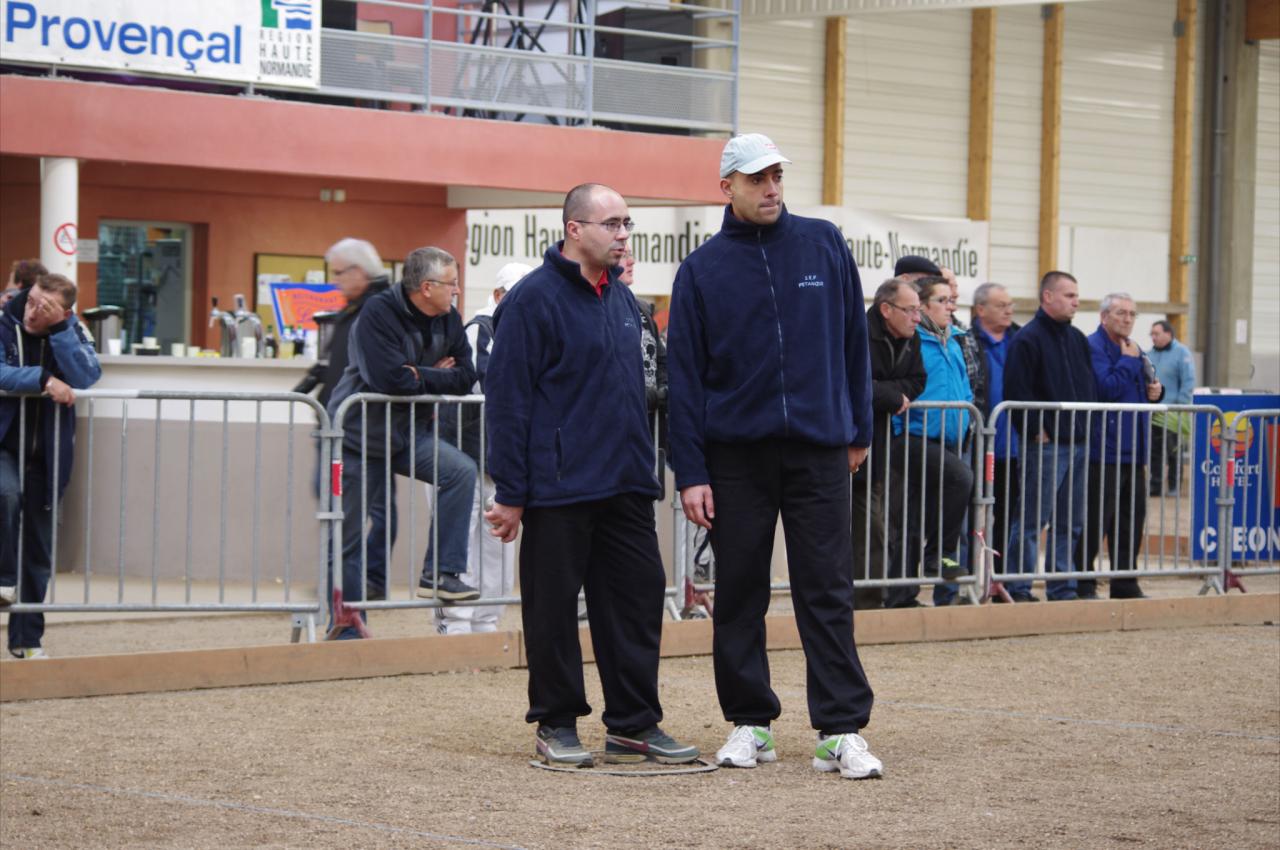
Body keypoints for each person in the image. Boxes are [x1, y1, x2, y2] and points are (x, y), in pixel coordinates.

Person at [667, 133, 882, 779]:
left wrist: (859, 429)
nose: (771, 188)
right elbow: (685, 381)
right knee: (739, 593)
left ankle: (840, 729)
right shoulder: (701, 270)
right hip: (736, 458)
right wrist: (691, 473)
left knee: (827, 589)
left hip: (819, 449)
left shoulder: (823, 243)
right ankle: (750, 722)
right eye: (757, 178)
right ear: (726, 186)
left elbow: (854, 342)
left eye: (777, 176)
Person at [484, 184, 698, 769]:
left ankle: (633, 724)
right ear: (574, 229)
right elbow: (508, 401)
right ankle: (556, 723)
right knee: (553, 611)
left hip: (626, 484)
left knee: (637, 603)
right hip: (558, 487)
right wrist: (511, 491)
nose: (623, 235)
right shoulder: (532, 301)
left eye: (627, 223)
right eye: (611, 224)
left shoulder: (625, 302)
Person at [326, 247, 480, 639]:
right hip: (357, 437)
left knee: (461, 472)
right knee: (348, 535)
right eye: (451, 284)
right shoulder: (377, 313)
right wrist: (434, 374)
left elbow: (466, 377)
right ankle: (346, 627)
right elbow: (388, 380)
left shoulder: (449, 318)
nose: (457, 290)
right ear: (427, 287)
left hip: (408, 433)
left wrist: (419, 374)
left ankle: (441, 573)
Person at [0, 273, 102, 657]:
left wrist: (61, 331)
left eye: (45, 309)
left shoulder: (71, 331)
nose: (32, 312)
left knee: (39, 552)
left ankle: (27, 641)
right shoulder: (4, 322)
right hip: (4, 446)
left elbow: (87, 376)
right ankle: (4, 578)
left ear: (63, 313)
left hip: (48, 455)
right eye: (31, 301)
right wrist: (42, 379)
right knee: (6, 496)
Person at [435, 261, 531, 636]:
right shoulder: (480, 329)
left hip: (498, 459)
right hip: (463, 454)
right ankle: (456, 626)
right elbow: (490, 385)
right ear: (497, 295)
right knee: (463, 542)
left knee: (497, 546)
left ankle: (487, 624)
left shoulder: (525, 332)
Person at [1001, 271, 1098, 602]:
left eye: (1076, 296)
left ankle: (1062, 586)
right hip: (1046, 445)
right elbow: (1016, 391)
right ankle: (1019, 586)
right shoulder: (1027, 339)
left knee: (1070, 521)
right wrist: (1034, 430)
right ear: (1047, 297)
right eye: (1069, 295)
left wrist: (1087, 428)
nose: (1076, 302)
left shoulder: (1078, 340)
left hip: (1078, 442)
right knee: (1032, 521)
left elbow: (1088, 387)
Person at [886, 276, 975, 609]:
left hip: (949, 439)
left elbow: (964, 388)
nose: (950, 307)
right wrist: (899, 425)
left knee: (915, 516)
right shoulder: (913, 342)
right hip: (914, 435)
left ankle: (902, 595)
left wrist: (966, 420)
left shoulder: (954, 340)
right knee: (961, 478)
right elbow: (900, 384)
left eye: (952, 300)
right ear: (922, 307)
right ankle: (939, 555)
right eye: (942, 300)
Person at [1074, 293, 1162, 600]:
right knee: (1095, 520)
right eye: (1121, 313)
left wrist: (1156, 391)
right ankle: (1083, 582)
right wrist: (1128, 361)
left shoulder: (1134, 349)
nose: (1127, 319)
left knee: (1131, 520)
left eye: (1132, 314)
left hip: (1134, 450)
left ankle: (1125, 582)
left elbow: (1142, 387)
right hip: (1103, 450)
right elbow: (1105, 388)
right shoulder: (1093, 347)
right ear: (1103, 317)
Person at [854, 278, 927, 610]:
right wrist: (889, 395)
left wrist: (887, 392)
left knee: (875, 524)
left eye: (918, 310)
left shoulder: (912, 339)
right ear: (886, 309)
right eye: (910, 310)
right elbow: (852, 380)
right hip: (848, 442)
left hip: (879, 444)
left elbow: (917, 380)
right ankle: (861, 597)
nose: (917, 318)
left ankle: (869, 598)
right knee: (866, 524)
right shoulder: (857, 333)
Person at [970, 283, 1020, 584]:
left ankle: (1000, 578)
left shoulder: (1020, 339)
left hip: (1014, 447)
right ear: (981, 309)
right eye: (1001, 305)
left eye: (1010, 304)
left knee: (1009, 515)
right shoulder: (969, 341)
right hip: (978, 444)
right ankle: (968, 578)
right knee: (970, 515)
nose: (1008, 310)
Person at [1147, 320, 1196, 496]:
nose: (1153, 337)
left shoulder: (1182, 353)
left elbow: (1188, 381)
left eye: (1157, 334)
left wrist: (1180, 406)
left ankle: (1175, 486)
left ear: (1168, 334)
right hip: (1154, 412)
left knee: (1174, 451)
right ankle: (1155, 485)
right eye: (1152, 334)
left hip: (1174, 412)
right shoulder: (1149, 355)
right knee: (1154, 452)